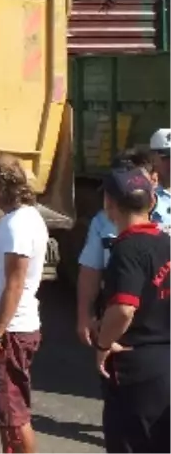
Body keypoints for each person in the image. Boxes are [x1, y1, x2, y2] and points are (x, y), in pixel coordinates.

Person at [92, 165, 171, 453]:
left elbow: (124, 308)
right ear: (152, 202)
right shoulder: (166, 242)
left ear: (109, 204)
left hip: (135, 370)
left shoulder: (127, 250)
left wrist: (103, 343)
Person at [0, 154, 49, 454]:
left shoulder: (17, 225)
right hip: (12, 330)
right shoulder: (22, 219)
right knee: (8, 413)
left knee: (13, 414)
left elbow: (15, 283)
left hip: (11, 332)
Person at [76, 149, 165, 347]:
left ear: (154, 179)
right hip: (120, 327)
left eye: (136, 178)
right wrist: (85, 315)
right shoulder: (103, 221)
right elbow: (91, 270)